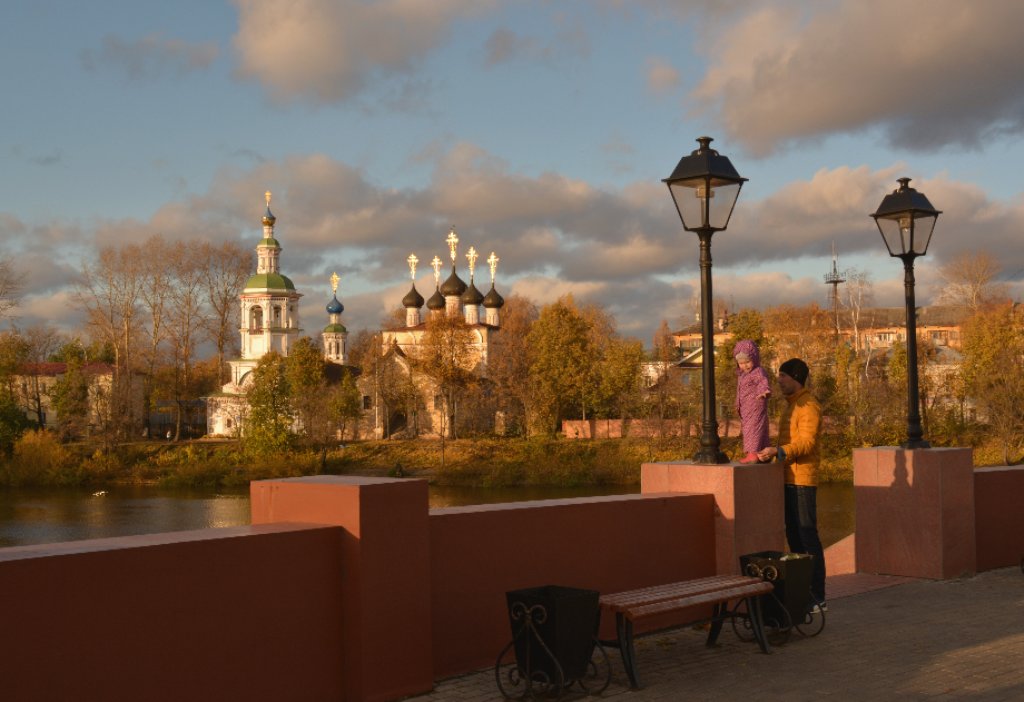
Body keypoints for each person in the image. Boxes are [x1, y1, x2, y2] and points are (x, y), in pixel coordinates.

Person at [757, 358, 826, 610]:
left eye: (783, 375)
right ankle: (803, 594)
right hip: (789, 478)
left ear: (795, 377)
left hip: (802, 480)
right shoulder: (793, 405)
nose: (779, 380)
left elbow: (807, 444)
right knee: (795, 539)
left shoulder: (808, 406)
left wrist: (779, 451)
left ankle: (818, 596)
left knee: (807, 539)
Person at [733, 340, 771, 463]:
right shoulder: (742, 375)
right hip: (746, 408)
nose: (745, 366)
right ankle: (762, 453)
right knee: (759, 428)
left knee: (752, 428)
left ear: (754, 358)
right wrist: (737, 404)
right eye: (741, 363)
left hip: (755, 404)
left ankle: (752, 453)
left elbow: (762, 381)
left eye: (748, 362)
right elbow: (740, 391)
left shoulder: (757, 371)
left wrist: (764, 390)